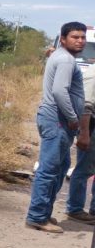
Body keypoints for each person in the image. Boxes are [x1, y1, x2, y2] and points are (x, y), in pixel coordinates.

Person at [25, 22, 87, 233]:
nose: (80, 41)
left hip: (56, 118)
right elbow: (60, 91)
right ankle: (37, 217)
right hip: (57, 119)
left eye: (82, 37)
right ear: (62, 39)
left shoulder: (60, 57)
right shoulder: (66, 60)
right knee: (49, 170)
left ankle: (43, 213)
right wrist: (72, 118)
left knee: (60, 168)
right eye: (74, 37)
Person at [65, 58, 95, 224]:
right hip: (90, 125)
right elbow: (86, 106)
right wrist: (84, 133)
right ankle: (75, 209)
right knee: (84, 169)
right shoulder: (93, 73)